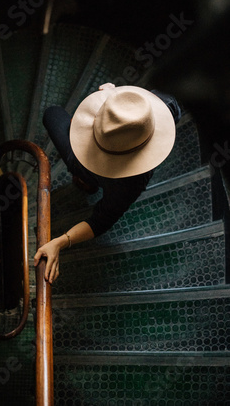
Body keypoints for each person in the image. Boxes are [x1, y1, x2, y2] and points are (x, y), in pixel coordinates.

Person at [34, 83, 182, 284]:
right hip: (98, 167)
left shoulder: (129, 183)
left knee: (52, 114)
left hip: (82, 166)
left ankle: (86, 179)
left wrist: (60, 242)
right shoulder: (164, 104)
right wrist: (114, 98)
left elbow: (101, 221)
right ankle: (87, 180)